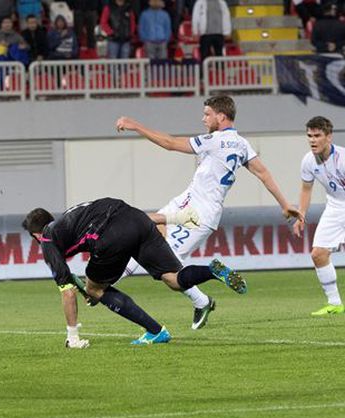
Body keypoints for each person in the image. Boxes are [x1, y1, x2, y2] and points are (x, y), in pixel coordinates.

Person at [115, 95, 303, 329]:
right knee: (144, 234)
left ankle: (96, 287)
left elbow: (171, 143)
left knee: (169, 274)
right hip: (185, 202)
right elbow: (263, 173)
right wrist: (284, 204)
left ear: (221, 116)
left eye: (207, 114)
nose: (203, 118)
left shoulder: (215, 140)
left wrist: (135, 125)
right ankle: (201, 301)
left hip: (198, 215)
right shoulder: (242, 144)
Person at [22, 198, 246, 347]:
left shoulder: (48, 239)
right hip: (135, 218)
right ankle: (212, 270)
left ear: (36, 235)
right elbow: (127, 216)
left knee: (95, 288)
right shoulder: (71, 216)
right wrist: (175, 218)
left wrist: (73, 336)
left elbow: (68, 291)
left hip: (110, 234)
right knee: (174, 279)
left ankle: (156, 331)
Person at [293, 117, 345, 316]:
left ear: (329, 137)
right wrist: (301, 215)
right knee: (318, 254)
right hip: (334, 206)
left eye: (317, 136)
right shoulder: (308, 161)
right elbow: (306, 189)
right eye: (309, 136)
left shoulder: (342, 159)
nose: (312, 140)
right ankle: (334, 303)